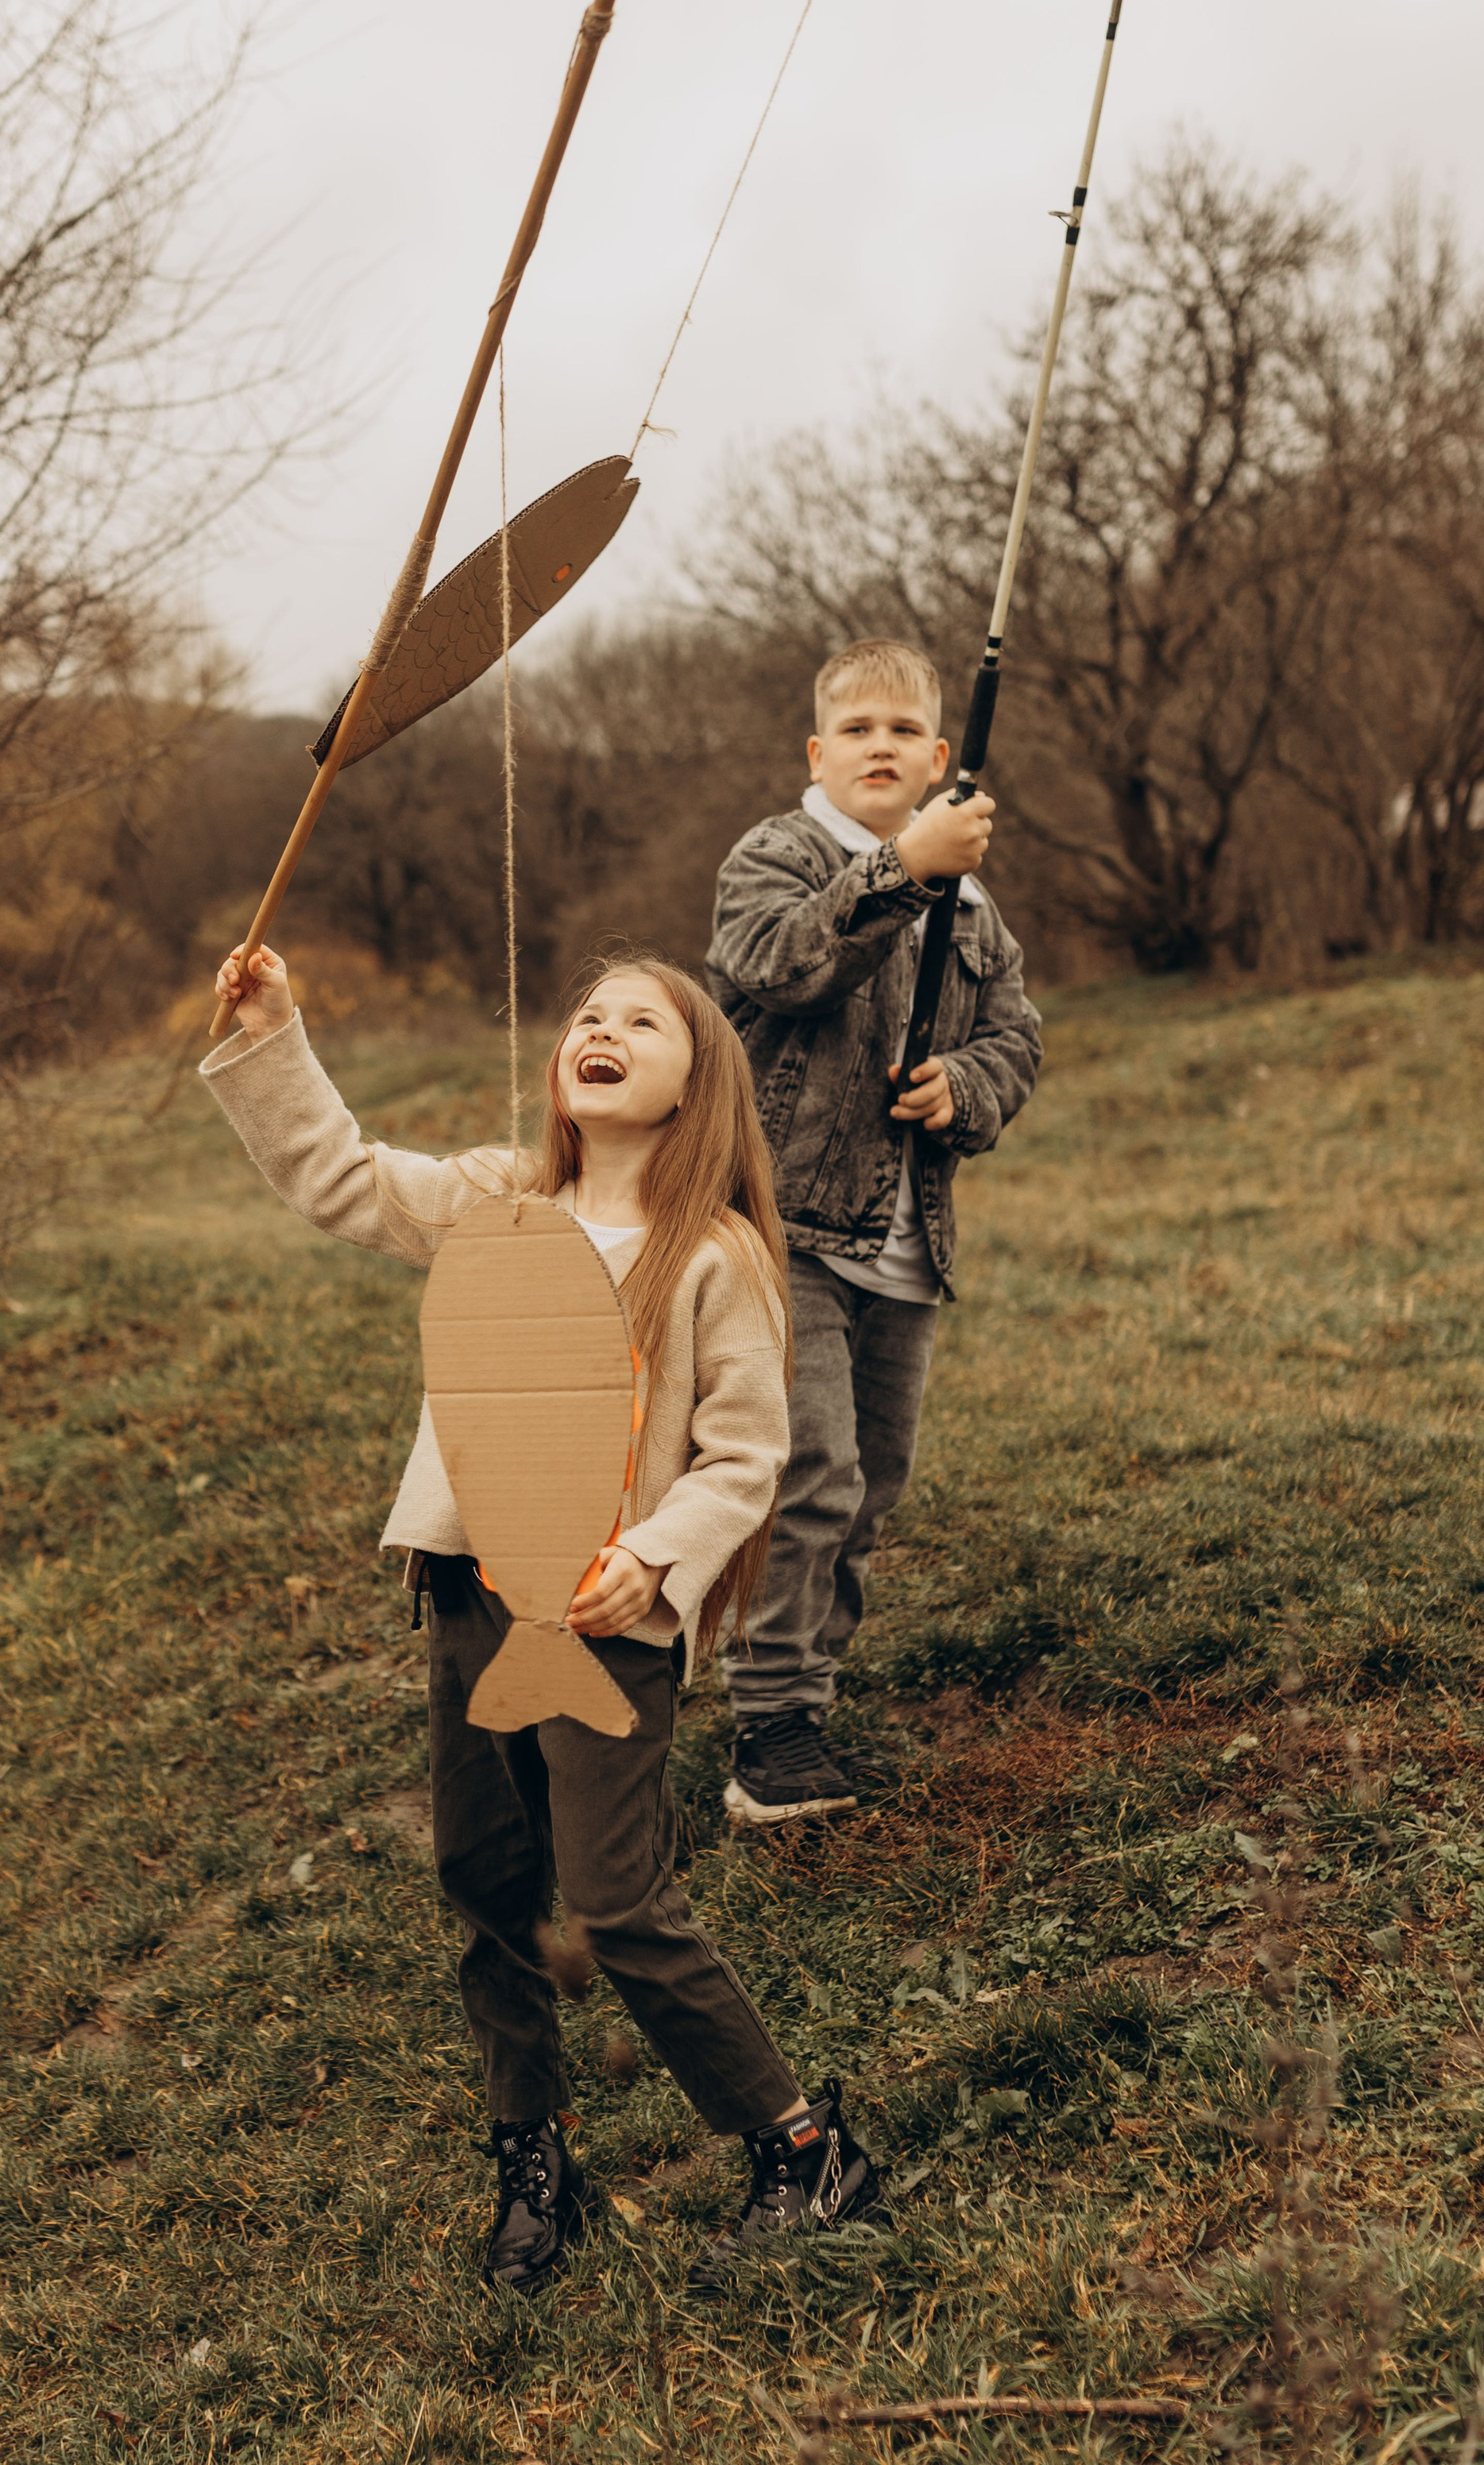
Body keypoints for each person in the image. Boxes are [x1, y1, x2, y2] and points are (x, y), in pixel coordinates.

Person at [204, 941, 891, 2294]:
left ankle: (803, 2148)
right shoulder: (502, 1197)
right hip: (469, 1590)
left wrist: (657, 1557)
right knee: (488, 1886)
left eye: (646, 1019)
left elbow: (748, 1458)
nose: (606, 1028)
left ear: (699, 1082)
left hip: (607, 1616)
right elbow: (338, 1172)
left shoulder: (720, 1256)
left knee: (620, 1898)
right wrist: (274, 1032)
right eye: (590, 1014)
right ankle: (537, 2155)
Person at [706, 638, 1042, 1826]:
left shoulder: (977, 895)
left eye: (905, 731)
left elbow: (1019, 1038)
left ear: (942, 754)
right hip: (782, 1229)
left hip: (907, 1245)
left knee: (871, 1487)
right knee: (808, 1469)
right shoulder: (779, 855)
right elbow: (781, 965)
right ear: (817, 751)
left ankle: (812, 1688)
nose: (882, 747)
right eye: (858, 731)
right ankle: (771, 1725)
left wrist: (965, 1084)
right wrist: (903, 869)